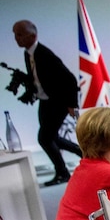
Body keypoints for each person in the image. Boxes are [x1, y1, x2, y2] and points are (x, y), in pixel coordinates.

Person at [11, 20, 81, 186]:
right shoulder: (28, 53)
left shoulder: (44, 54)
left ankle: (62, 172)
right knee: (51, 137)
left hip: (59, 101)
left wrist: (71, 105)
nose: (16, 39)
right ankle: (81, 153)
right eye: (15, 35)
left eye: (19, 35)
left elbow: (70, 79)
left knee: (44, 138)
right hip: (45, 100)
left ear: (32, 36)